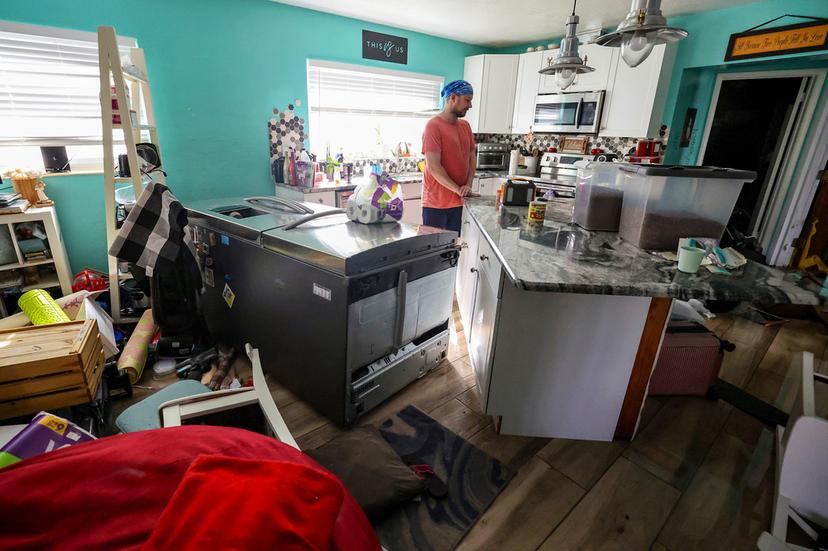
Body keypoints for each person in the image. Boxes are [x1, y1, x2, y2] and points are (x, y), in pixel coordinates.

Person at [421, 80, 476, 234]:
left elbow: (472, 159)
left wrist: (468, 186)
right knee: (433, 252)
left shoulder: (465, 126)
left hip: (458, 202)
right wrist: (458, 190)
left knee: (452, 250)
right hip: (435, 204)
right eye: (467, 100)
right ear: (453, 97)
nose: (470, 106)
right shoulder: (433, 126)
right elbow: (434, 167)